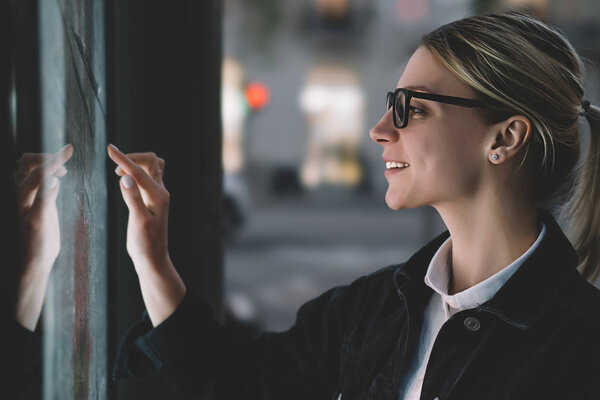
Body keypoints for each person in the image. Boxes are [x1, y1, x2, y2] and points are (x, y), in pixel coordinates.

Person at [14, 10, 600, 400]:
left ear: (504, 137)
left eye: (411, 108)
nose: (378, 129)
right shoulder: (374, 308)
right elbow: (237, 382)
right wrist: (151, 258)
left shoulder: (582, 348)